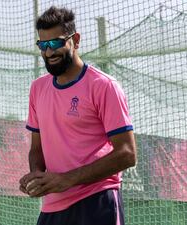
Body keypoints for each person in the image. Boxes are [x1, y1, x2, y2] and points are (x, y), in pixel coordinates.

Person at [19, 6, 137, 225]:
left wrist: (68, 180)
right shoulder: (37, 88)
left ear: (76, 40)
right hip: (53, 207)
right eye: (42, 45)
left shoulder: (104, 86)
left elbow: (127, 153)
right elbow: (37, 149)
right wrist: (36, 176)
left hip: (97, 201)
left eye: (55, 43)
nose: (49, 52)